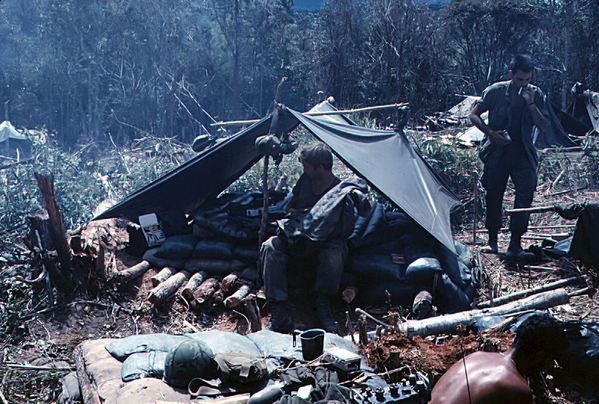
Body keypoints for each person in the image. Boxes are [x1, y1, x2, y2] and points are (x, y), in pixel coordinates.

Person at [469, 55, 549, 261]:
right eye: (520, 79)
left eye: (528, 79)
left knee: (525, 193)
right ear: (511, 74)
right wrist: (490, 132)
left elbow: (543, 126)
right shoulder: (495, 92)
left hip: (522, 152)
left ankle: (515, 245)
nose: (524, 84)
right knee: (494, 194)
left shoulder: (535, 94)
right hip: (497, 151)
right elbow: (473, 114)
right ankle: (493, 242)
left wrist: (531, 104)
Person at [260, 142, 344, 334]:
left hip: (325, 241)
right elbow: (291, 207)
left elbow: (344, 228)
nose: (304, 170)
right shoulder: (305, 181)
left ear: (320, 168)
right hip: (298, 236)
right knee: (270, 246)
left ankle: (323, 305)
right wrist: (299, 217)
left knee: (334, 253)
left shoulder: (338, 190)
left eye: (307, 167)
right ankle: (279, 310)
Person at [429, 313, 569, 404]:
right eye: (549, 360)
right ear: (539, 355)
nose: (547, 367)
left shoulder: (475, 356)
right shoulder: (516, 387)